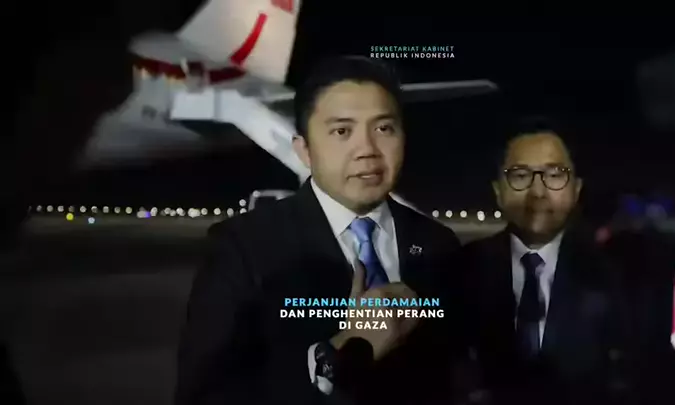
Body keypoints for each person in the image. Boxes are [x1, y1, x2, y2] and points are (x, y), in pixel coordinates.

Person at [175, 56, 462, 405]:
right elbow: (202, 395)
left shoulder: (439, 244)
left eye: (384, 128)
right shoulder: (242, 247)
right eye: (342, 131)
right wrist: (331, 360)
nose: (367, 150)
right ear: (304, 150)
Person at [459, 117, 632, 404]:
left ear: (576, 189)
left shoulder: (616, 276)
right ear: (498, 191)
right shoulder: (458, 270)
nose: (538, 193)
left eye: (554, 175)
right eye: (520, 175)